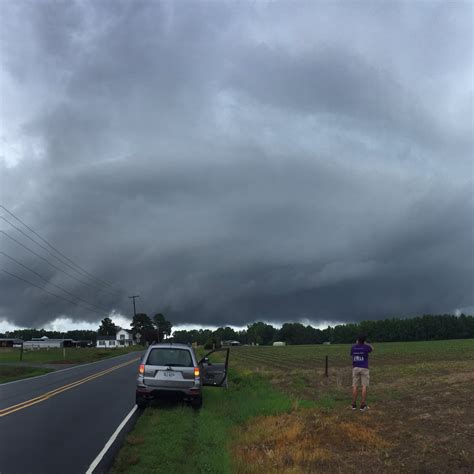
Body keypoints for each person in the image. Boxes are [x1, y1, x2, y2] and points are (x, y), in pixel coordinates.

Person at [350, 334, 374, 411]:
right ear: (364, 340)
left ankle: (353, 404)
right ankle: (362, 405)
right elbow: (372, 348)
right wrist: (365, 343)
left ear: (357, 340)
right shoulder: (366, 347)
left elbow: (351, 354)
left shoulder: (353, 347)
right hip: (364, 368)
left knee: (355, 386)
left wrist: (357, 344)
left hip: (355, 368)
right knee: (364, 386)